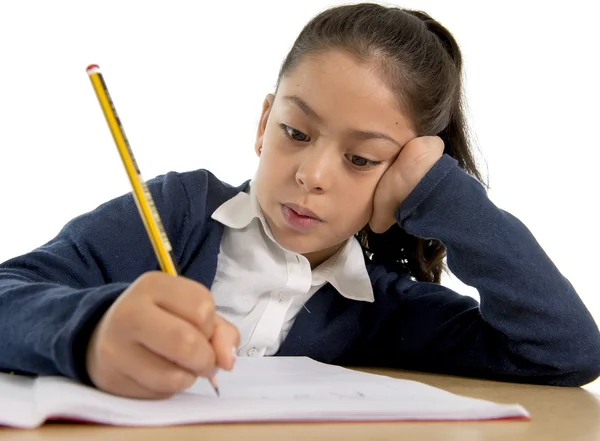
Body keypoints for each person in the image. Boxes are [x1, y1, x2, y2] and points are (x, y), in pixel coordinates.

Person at [1, 3, 599, 399]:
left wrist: (441, 190)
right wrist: (90, 333)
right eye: (296, 131)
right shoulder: (179, 211)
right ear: (265, 121)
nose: (312, 174)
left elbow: (564, 352)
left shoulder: (380, 305)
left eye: (361, 159)